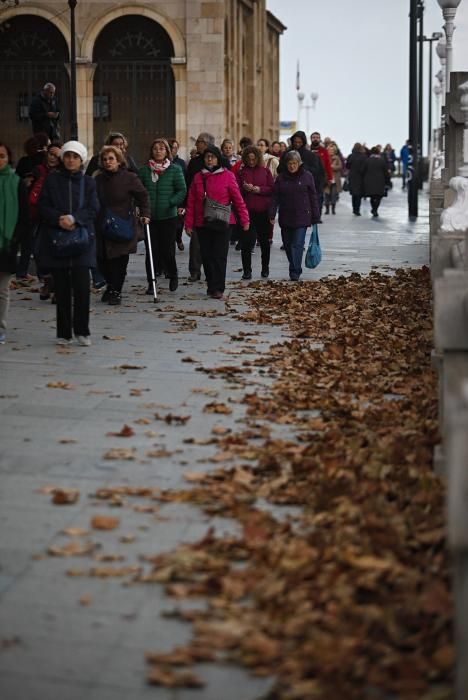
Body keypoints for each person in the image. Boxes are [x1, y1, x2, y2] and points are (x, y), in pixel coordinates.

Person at [38, 141, 99, 346]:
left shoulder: (88, 182)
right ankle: (64, 333)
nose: (71, 160)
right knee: (62, 289)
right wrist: (59, 219)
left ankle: (82, 330)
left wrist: (74, 219)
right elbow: (43, 206)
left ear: (81, 160)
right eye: (67, 156)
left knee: (82, 288)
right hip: (58, 240)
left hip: (82, 240)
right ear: (62, 158)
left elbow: (93, 208)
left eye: (75, 156)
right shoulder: (52, 181)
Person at [184, 144, 249, 299]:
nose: (210, 159)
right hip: (203, 222)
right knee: (206, 255)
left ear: (218, 159)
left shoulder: (228, 176)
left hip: (223, 222)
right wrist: (188, 224)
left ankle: (218, 287)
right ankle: (211, 284)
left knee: (219, 255)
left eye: (212, 157)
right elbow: (191, 201)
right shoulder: (198, 177)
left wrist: (244, 219)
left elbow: (238, 200)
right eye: (207, 157)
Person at [95, 146, 150, 305]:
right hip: (102, 224)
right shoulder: (98, 179)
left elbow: (143, 196)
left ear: (119, 161)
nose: (108, 162)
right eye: (105, 159)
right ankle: (110, 286)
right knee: (103, 260)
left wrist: (145, 214)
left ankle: (116, 290)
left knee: (119, 261)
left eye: (111, 159)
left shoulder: (129, 178)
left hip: (122, 224)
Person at [138, 138, 187, 293]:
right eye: (155, 149)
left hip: (168, 216)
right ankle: (151, 283)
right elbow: (139, 192)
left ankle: (173, 275)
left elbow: (182, 190)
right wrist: (141, 207)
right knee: (151, 250)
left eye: (161, 148)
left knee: (167, 250)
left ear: (167, 151)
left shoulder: (174, 169)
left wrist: (171, 202)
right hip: (150, 217)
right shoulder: (144, 170)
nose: (158, 151)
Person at [269, 150, 320, 282]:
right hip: (286, 216)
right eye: (289, 163)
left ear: (299, 163)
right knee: (287, 245)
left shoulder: (307, 176)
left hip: (302, 216)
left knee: (297, 244)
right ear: (286, 164)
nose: (292, 166)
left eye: (294, 163)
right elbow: (275, 197)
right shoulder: (281, 178)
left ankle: (295, 271)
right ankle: (294, 265)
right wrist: (272, 213)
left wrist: (316, 215)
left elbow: (313, 196)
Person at [0, 143, 29, 345]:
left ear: (8, 158)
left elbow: (24, 215)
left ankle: (0, 327)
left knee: (2, 290)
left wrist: (15, 239)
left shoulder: (17, 182)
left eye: (1, 156)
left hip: (7, 244)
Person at [28, 142, 62, 300]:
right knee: (38, 250)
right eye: (51, 154)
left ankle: (56, 287)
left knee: (57, 252)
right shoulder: (38, 170)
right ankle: (47, 280)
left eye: (57, 155)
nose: (53, 157)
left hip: (57, 218)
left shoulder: (63, 173)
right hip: (38, 216)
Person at [237, 145, 274, 280]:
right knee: (247, 242)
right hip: (247, 213)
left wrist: (258, 189)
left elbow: (271, 188)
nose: (251, 162)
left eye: (254, 159)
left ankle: (265, 268)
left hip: (263, 212)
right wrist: (245, 188)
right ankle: (247, 270)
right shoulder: (241, 173)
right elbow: (236, 190)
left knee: (264, 242)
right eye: (249, 159)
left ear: (257, 158)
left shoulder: (265, 171)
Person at [185, 132, 216, 282]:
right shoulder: (194, 163)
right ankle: (195, 271)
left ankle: (212, 271)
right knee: (196, 242)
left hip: (216, 208)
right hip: (198, 207)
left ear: (207, 144)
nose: (196, 144)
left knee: (213, 243)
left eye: (199, 142)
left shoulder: (220, 162)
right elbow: (188, 185)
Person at [278, 131, 325, 219]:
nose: (297, 144)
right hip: (288, 190)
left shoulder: (310, 155)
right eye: (295, 142)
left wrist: (303, 168)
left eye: (299, 142)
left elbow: (316, 171)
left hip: (303, 191)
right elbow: (279, 169)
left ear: (303, 142)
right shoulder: (286, 154)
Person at [168, 139, 187, 252]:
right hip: (167, 196)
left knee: (179, 222)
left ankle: (178, 238)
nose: (172, 150)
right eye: (170, 147)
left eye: (174, 148)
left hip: (179, 196)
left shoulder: (181, 163)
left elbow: (185, 181)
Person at [363, 146, 391, 218]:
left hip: (369, 181)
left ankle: (373, 208)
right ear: (378, 152)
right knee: (379, 196)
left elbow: (363, 171)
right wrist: (388, 181)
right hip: (380, 181)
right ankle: (375, 209)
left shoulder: (367, 160)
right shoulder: (382, 160)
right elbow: (386, 172)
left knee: (372, 196)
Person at [346, 143, 367, 216]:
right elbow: (365, 167)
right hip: (360, 177)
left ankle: (354, 208)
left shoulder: (351, 156)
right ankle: (357, 209)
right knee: (359, 194)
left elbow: (347, 166)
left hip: (352, 176)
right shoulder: (363, 157)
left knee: (353, 194)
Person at [324, 142, 342, 215]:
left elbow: (340, 167)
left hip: (335, 180)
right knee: (326, 195)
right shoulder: (325, 157)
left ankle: (333, 209)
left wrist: (333, 167)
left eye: (332, 150)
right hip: (327, 179)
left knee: (334, 195)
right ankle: (327, 209)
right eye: (329, 150)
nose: (331, 151)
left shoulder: (337, 158)